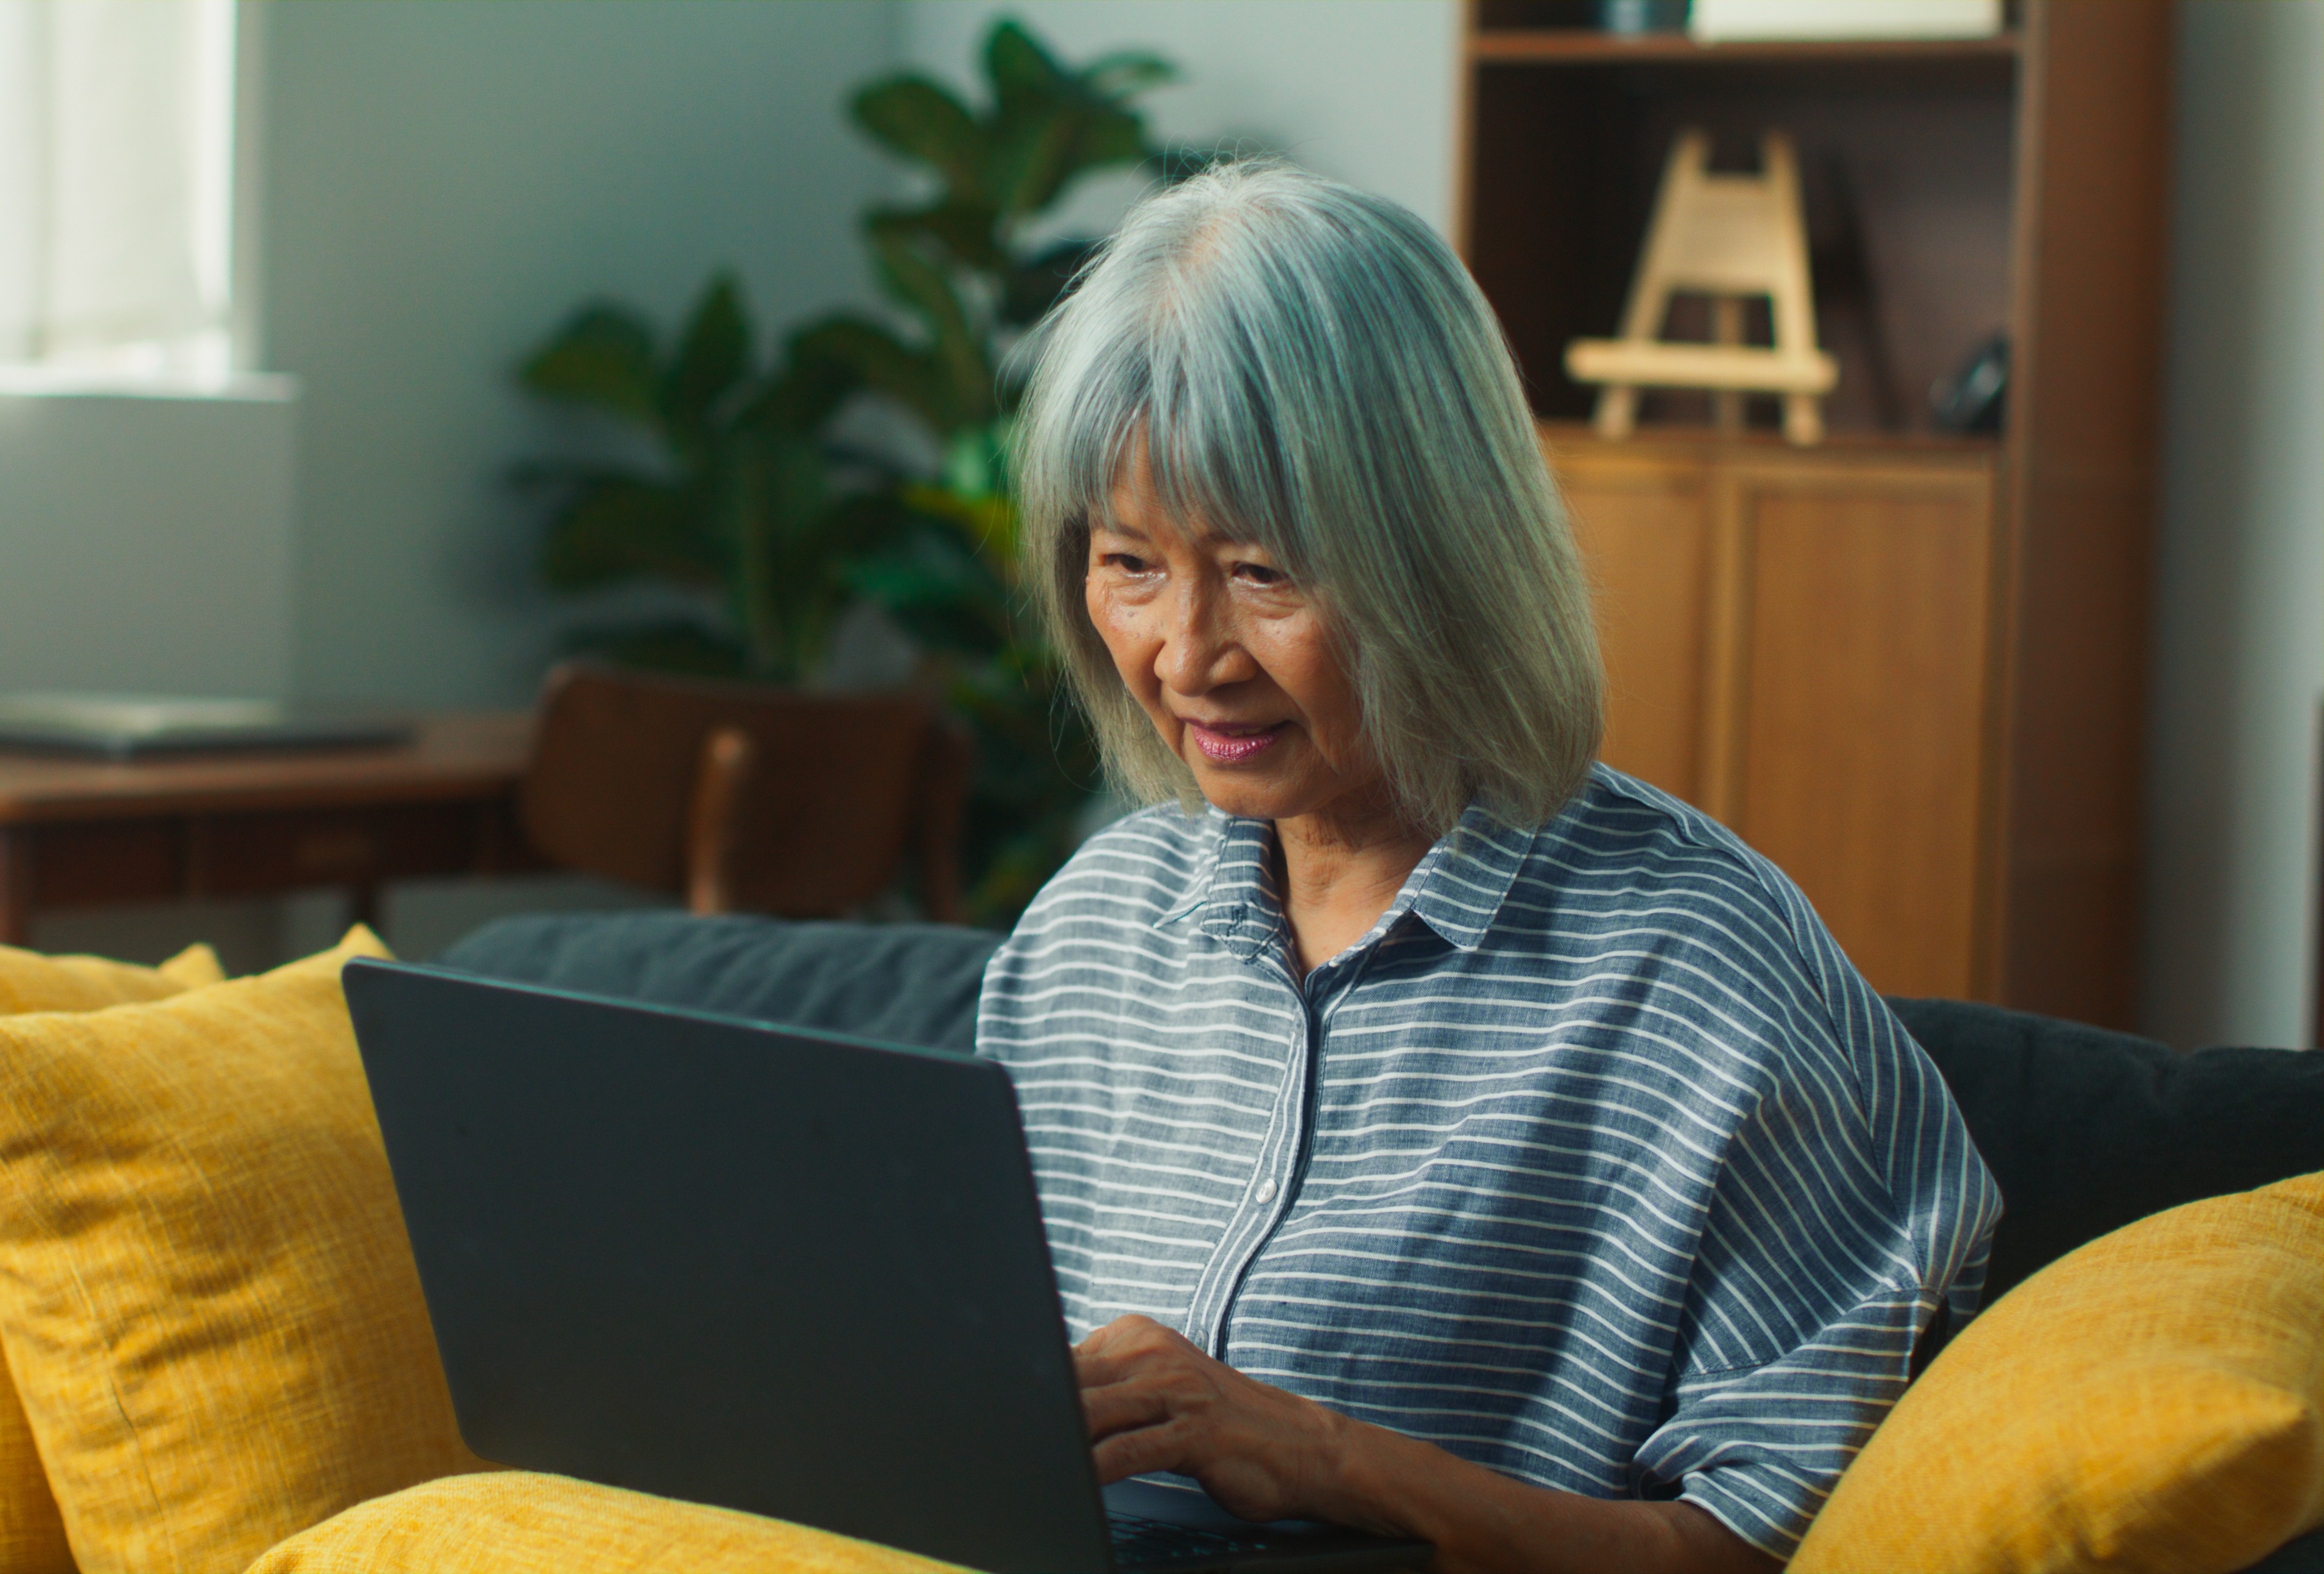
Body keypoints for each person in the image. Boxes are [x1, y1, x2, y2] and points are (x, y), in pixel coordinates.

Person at [975, 160, 1999, 1574]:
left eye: (1264, 572)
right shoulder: (1095, 925)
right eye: (1129, 563)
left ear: (1437, 558)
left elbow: (1782, 1549)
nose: (1186, 654)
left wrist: (1328, 1461)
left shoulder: (1698, 968)